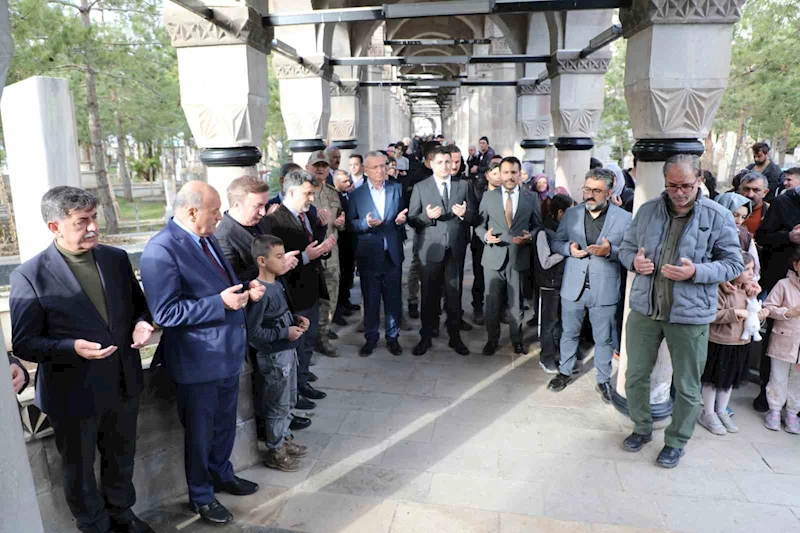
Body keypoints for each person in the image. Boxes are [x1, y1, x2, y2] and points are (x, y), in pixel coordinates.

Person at [11, 186, 155, 533]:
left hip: (123, 381)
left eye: (94, 218)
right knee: (79, 467)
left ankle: (122, 513)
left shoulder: (116, 259)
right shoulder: (29, 275)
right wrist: (71, 347)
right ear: (54, 227)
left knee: (121, 457)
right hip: (73, 392)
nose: (92, 227)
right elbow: (25, 344)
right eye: (81, 221)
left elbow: (140, 307)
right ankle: (94, 524)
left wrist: (142, 323)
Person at [141, 182, 264, 526]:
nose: (219, 217)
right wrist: (220, 303)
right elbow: (165, 313)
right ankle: (201, 495)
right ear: (192, 211)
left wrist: (245, 289)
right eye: (214, 211)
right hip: (197, 361)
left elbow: (217, 285)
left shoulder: (206, 237)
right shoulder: (161, 250)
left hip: (227, 353)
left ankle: (222, 474)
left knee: (224, 424)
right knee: (200, 433)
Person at [618, 154, 744, 469]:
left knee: (687, 384)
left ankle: (676, 442)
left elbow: (733, 264)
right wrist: (634, 261)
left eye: (686, 185)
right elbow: (626, 248)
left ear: (699, 180)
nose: (679, 192)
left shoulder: (717, 215)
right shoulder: (647, 211)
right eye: (673, 185)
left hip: (690, 315)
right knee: (635, 375)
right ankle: (641, 427)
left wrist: (696, 272)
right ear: (665, 182)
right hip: (646, 309)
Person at [215, 176, 307, 437]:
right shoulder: (224, 235)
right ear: (236, 204)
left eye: (265, 205)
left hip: (278, 309)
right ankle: (270, 431)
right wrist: (273, 266)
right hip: (256, 323)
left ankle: (284, 419)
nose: (263, 212)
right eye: (257, 206)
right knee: (265, 384)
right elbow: (232, 281)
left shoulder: (261, 222)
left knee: (283, 383)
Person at [547, 169, 632, 402]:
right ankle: (565, 372)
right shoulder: (572, 214)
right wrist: (568, 249)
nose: (590, 195)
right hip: (573, 286)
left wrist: (610, 251)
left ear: (609, 192)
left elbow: (630, 253)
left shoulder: (624, 218)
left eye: (596, 190)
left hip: (604, 289)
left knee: (603, 339)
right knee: (568, 333)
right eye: (587, 189)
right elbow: (556, 242)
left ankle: (603, 380)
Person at [262, 170, 336, 409]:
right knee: (296, 345)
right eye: (308, 194)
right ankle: (294, 393)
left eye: (313, 194)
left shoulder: (309, 214)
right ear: (292, 192)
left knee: (309, 340)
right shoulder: (273, 221)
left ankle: (303, 382)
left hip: (312, 288)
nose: (312, 199)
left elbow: (312, 246)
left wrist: (323, 242)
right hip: (292, 294)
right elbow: (275, 264)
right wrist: (305, 256)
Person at [246, 235, 311, 470]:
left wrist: (296, 319)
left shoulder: (278, 284)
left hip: (288, 352)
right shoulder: (260, 292)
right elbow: (253, 333)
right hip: (274, 357)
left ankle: (283, 438)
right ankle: (275, 450)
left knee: (290, 398)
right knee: (277, 405)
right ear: (262, 261)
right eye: (279, 257)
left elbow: (280, 314)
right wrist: (285, 333)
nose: (285, 261)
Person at [408, 145, 475, 356]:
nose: (445, 166)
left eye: (449, 162)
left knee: (454, 295)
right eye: (440, 162)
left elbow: (475, 215)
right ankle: (426, 336)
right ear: (431, 164)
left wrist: (464, 214)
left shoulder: (463, 185)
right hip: (430, 250)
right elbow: (412, 219)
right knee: (429, 295)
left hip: (455, 249)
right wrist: (426, 217)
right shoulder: (421, 187)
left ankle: (455, 336)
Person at [478, 157, 542, 356]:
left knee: (516, 303)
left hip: (518, 256)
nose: (509, 176)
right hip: (492, 257)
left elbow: (538, 225)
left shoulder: (531, 197)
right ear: (500, 174)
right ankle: (492, 339)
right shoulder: (488, 196)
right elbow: (479, 225)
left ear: (520, 174)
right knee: (492, 302)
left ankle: (517, 340)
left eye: (514, 172)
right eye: (505, 172)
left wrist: (530, 236)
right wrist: (485, 236)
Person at [346, 151, 407, 356]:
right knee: (371, 299)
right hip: (369, 255)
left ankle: (393, 337)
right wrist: (365, 224)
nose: (381, 170)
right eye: (376, 167)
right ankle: (371, 338)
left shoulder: (396, 188)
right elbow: (351, 224)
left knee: (393, 299)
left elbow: (403, 215)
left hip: (392, 254)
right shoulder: (356, 194)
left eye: (383, 165)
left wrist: (401, 221)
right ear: (366, 170)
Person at [698, 252, 765, 435]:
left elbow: (753, 314)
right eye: (746, 269)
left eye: (752, 269)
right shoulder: (719, 290)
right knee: (712, 380)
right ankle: (708, 413)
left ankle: (721, 410)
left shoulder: (748, 290)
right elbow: (712, 315)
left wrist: (754, 300)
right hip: (719, 342)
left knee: (728, 381)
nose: (751, 273)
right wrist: (734, 313)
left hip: (740, 343)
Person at [753, 174, 800, 413]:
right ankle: (767, 394)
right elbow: (763, 236)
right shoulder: (783, 202)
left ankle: (794, 406)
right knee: (775, 337)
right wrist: (788, 236)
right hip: (784, 281)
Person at [307, 151, 346, 358]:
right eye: (317, 166)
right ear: (308, 167)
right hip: (310, 254)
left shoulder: (332, 193)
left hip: (331, 254)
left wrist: (341, 223)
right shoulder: (303, 192)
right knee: (308, 299)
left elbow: (340, 221)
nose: (320, 169)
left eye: (324, 166)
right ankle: (307, 342)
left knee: (330, 296)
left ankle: (322, 336)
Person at [533, 194, 573, 374]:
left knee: (562, 323)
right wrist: (566, 251)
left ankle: (563, 358)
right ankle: (546, 358)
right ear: (560, 212)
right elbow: (545, 262)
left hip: (563, 282)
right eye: (569, 212)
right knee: (548, 324)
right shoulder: (544, 232)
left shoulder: (564, 231)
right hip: (548, 285)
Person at [762, 249, 800, 433]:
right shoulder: (783, 284)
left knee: (797, 381)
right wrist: (788, 312)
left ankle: (793, 413)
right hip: (784, 339)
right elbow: (768, 307)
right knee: (778, 376)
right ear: (796, 265)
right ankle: (775, 410)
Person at [404, 141, 438, 320]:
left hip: (440, 228)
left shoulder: (442, 175)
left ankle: (434, 301)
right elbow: (411, 207)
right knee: (417, 264)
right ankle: (413, 300)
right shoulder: (416, 176)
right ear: (431, 157)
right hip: (422, 227)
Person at [469, 163, 502, 326]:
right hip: (481, 241)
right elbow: (475, 218)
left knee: (501, 276)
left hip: (501, 241)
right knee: (480, 276)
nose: (498, 177)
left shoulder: (507, 193)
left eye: (500, 173)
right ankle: (478, 308)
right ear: (487, 175)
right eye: (494, 173)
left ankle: (501, 308)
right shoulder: (478, 193)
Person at [332, 169, 359, 325]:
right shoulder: (333, 198)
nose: (348, 183)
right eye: (344, 181)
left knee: (348, 273)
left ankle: (346, 301)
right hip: (339, 242)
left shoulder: (350, 195)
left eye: (349, 180)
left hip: (351, 240)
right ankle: (338, 309)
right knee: (340, 276)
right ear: (336, 183)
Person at [738, 171, 770, 236]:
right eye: (746, 189)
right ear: (739, 190)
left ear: (765, 192)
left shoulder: (771, 212)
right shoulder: (728, 210)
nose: (750, 195)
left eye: (756, 190)